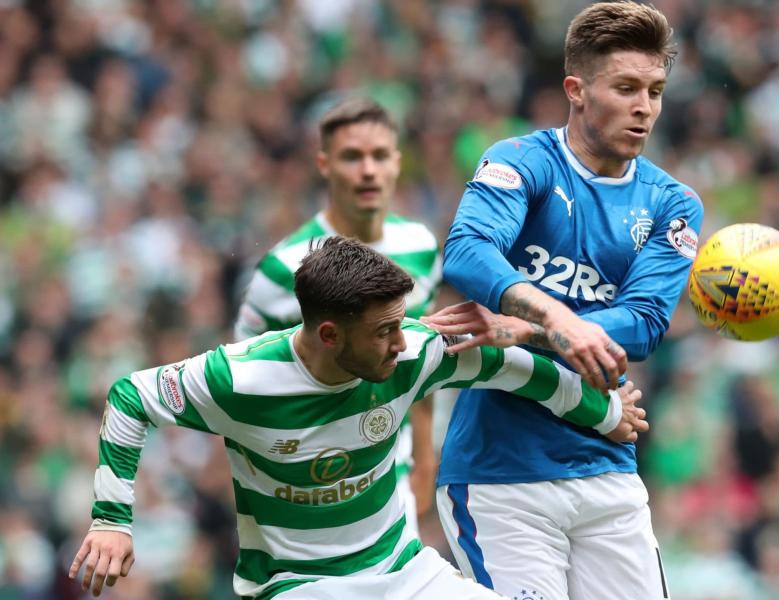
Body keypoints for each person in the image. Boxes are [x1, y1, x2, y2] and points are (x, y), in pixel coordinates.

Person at [68, 236, 649, 599]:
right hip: (297, 584)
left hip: (402, 570)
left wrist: (601, 412)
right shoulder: (238, 379)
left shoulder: (411, 353)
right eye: (383, 331)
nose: (402, 342)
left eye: (400, 323)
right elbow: (129, 398)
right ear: (327, 334)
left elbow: (509, 368)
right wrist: (111, 521)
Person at [425, 3, 704, 599]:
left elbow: (646, 321)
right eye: (626, 87)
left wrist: (534, 328)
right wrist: (556, 316)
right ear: (576, 89)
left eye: (655, 91)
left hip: (607, 466)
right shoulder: (519, 162)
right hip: (501, 477)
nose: (644, 108)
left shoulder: (673, 202)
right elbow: (469, 251)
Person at [234, 97, 442, 533]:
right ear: (324, 165)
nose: (368, 170)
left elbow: (422, 360)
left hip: (392, 466)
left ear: (397, 163)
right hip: (311, 479)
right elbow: (239, 383)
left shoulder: (420, 246)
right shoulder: (282, 267)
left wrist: (425, 460)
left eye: (379, 156)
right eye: (352, 157)